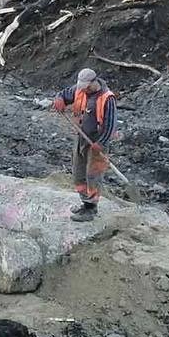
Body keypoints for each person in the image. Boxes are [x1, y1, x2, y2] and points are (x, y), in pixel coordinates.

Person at [52, 67, 116, 222]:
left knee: (93, 175)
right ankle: (85, 203)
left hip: (97, 142)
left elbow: (111, 124)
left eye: (87, 87)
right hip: (81, 138)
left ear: (94, 82)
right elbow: (64, 94)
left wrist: (101, 142)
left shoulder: (107, 98)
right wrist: (59, 99)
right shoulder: (80, 90)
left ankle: (91, 209)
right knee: (79, 172)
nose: (84, 90)